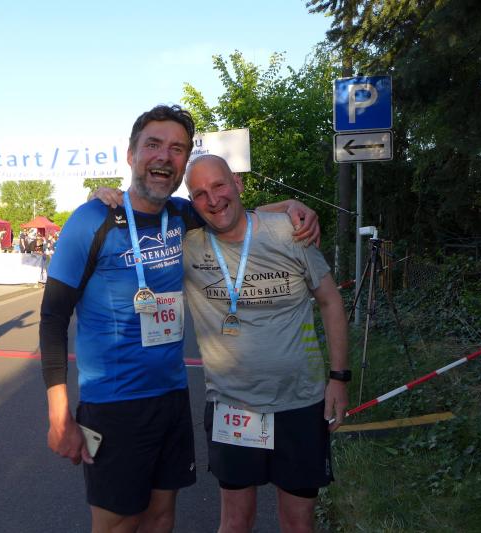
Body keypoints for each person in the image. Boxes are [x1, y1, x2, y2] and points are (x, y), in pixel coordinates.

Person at [39, 104, 319, 532]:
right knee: (119, 523)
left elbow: (233, 214)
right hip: (114, 404)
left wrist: (293, 205)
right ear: (131, 154)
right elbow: (53, 318)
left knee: (161, 518)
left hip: (171, 398)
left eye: (177, 149)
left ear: (184, 161)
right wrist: (59, 415)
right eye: (153, 144)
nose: (164, 156)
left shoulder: (182, 215)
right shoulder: (92, 220)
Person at [182, 155, 348, 532]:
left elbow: (330, 302)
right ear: (192, 202)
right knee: (235, 522)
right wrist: (104, 199)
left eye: (219, 185)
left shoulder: (288, 231)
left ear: (238, 183)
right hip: (232, 405)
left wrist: (339, 378)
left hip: (300, 402)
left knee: (298, 523)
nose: (213, 199)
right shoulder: (189, 246)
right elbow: (141, 221)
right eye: (200, 193)